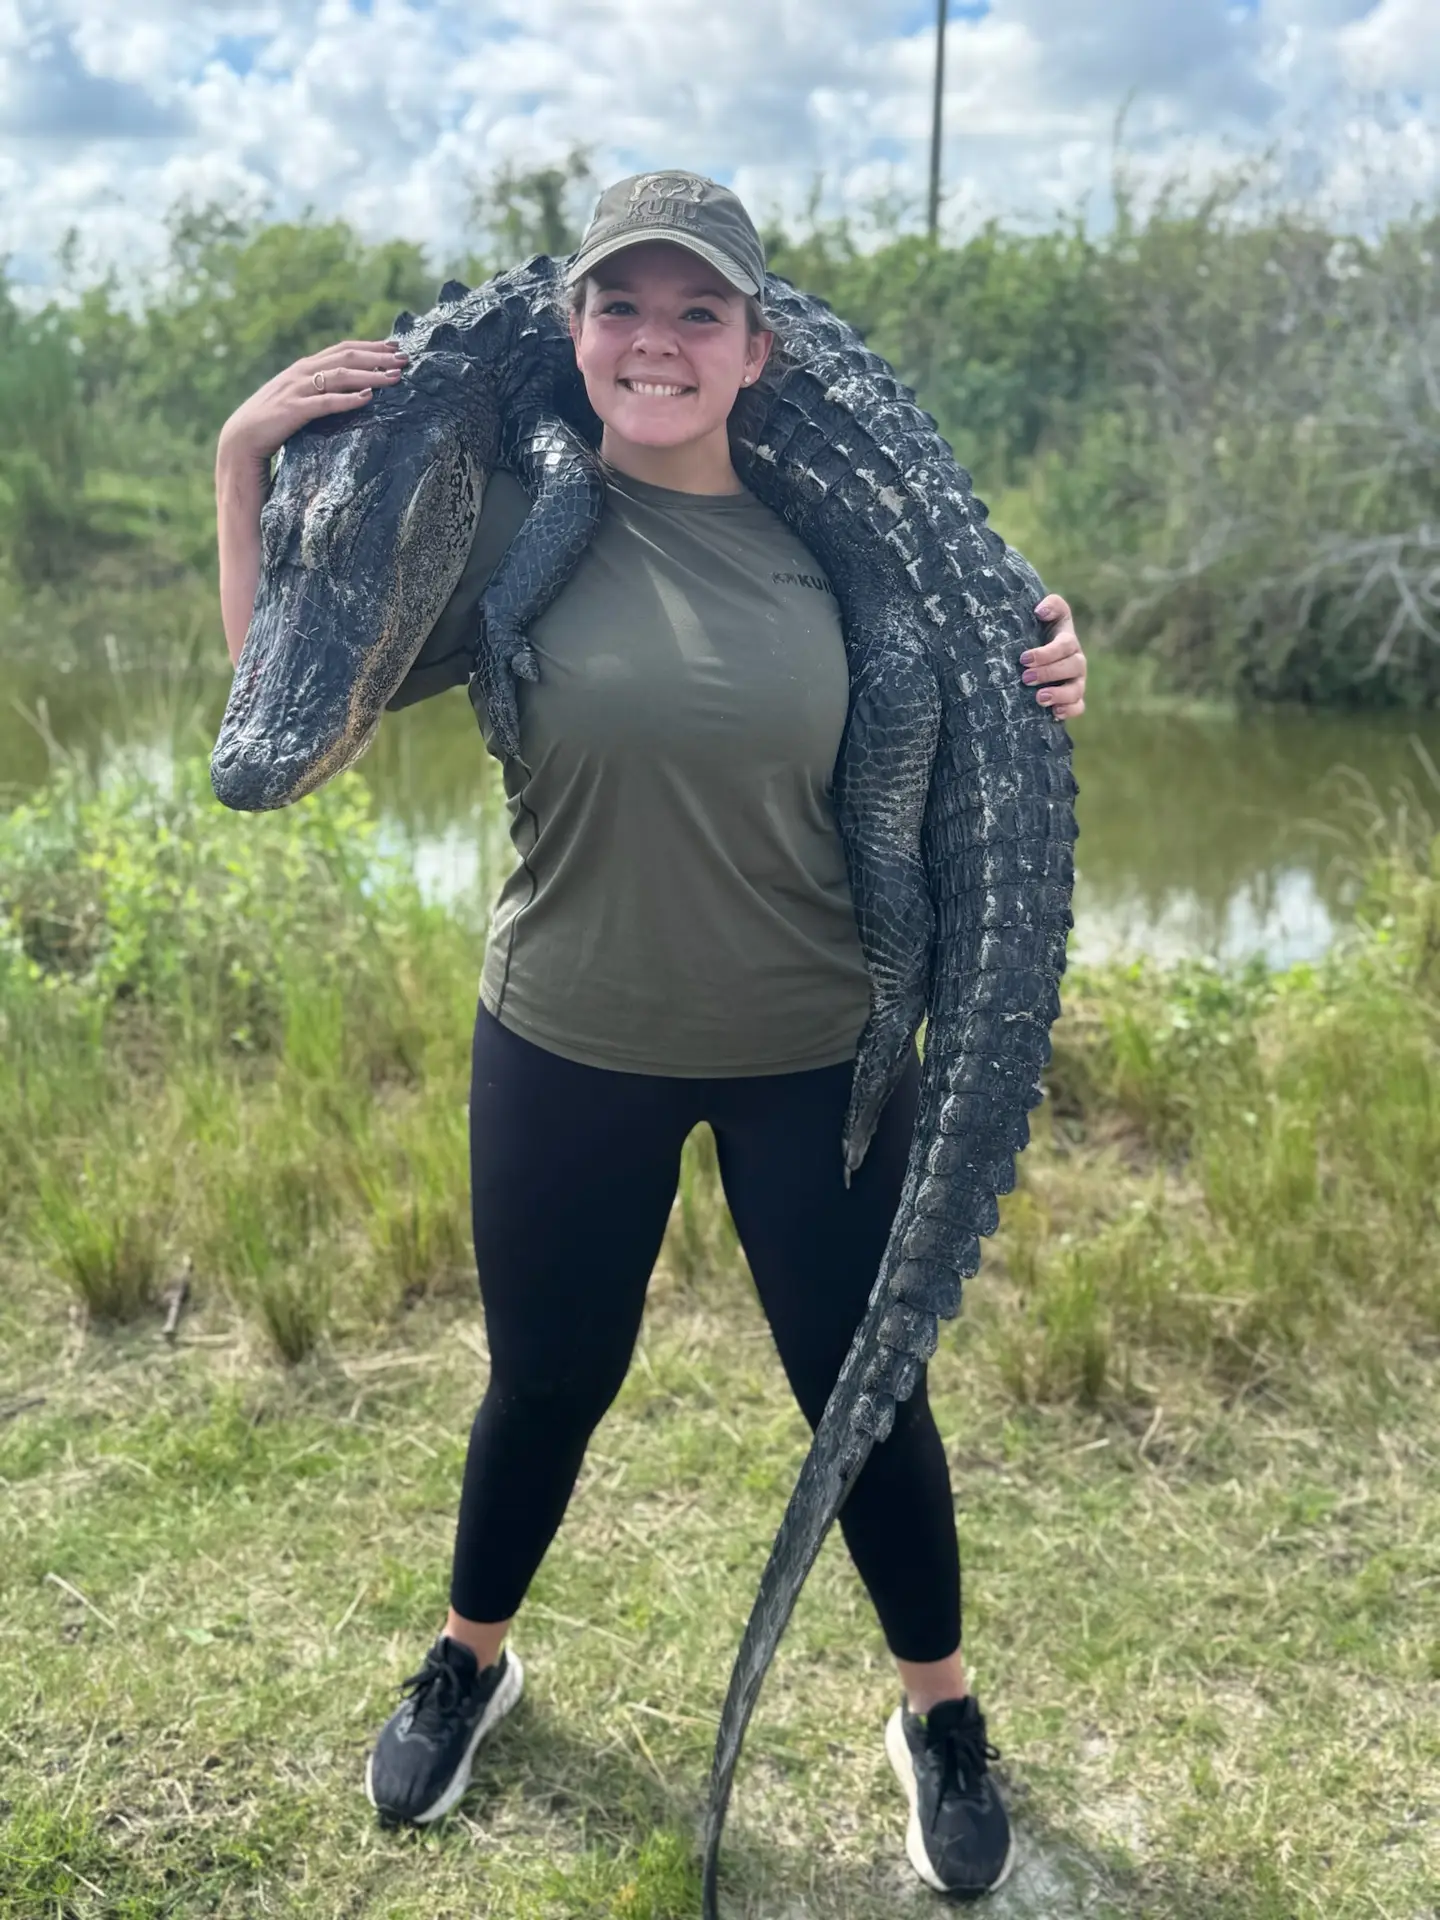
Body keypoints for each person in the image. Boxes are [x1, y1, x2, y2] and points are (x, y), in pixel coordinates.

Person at [214, 171, 1088, 1901]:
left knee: (866, 1393)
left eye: (699, 314)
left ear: (757, 348)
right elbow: (284, 707)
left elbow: (992, 681)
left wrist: (1051, 661)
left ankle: (942, 1716)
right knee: (544, 1381)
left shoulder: (838, 554)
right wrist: (239, 464)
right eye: (626, 309)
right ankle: (469, 1659)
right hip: (566, 1034)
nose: (657, 343)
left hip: (812, 1048)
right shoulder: (495, 542)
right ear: (577, 333)